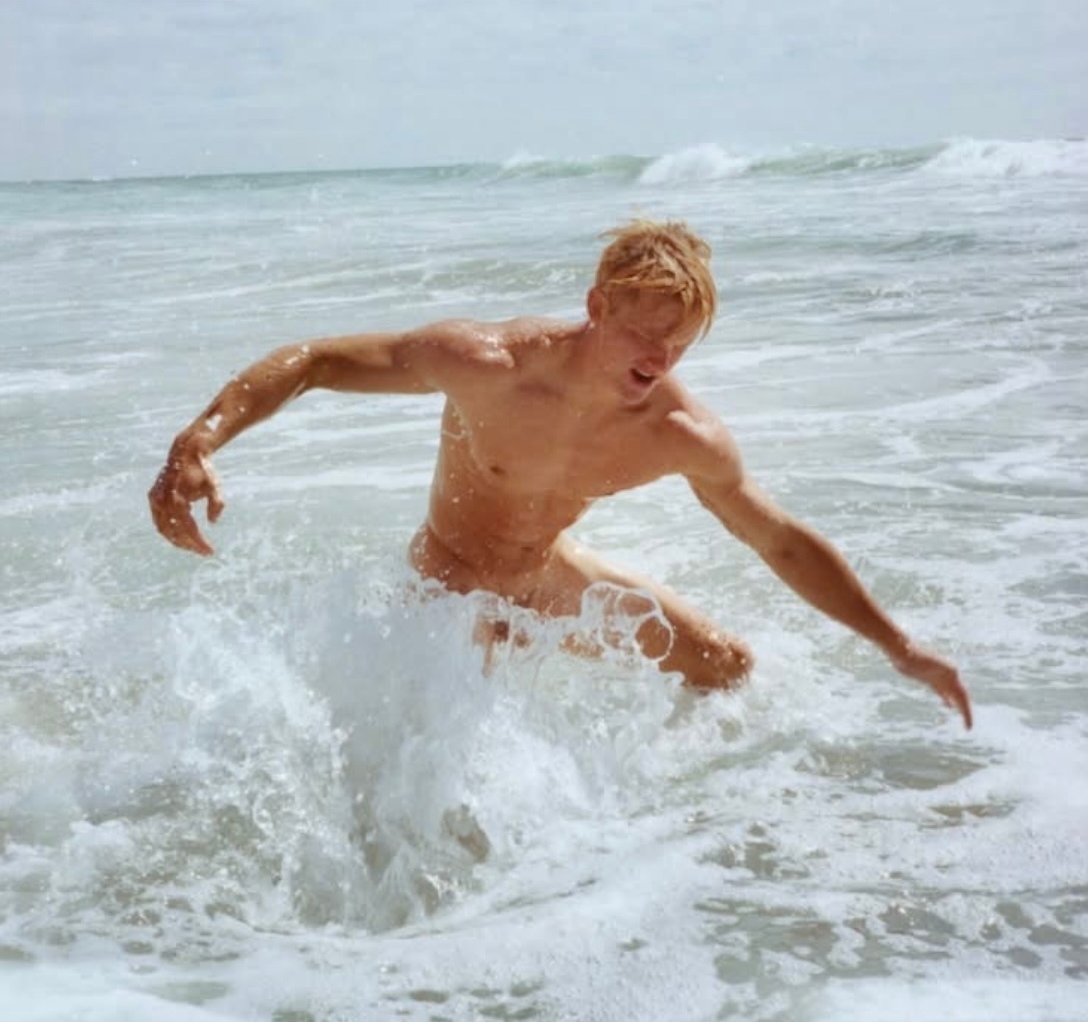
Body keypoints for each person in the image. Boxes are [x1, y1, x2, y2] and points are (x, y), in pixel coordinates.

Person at [149, 219, 972, 728]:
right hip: (448, 584)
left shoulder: (681, 434)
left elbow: (780, 540)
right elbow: (316, 361)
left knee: (728, 668)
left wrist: (897, 644)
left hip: (545, 576)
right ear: (598, 306)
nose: (660, 360)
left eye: (679, 344)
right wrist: (202, 437)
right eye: (646, 334)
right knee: (449, 769)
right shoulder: (486, 364)